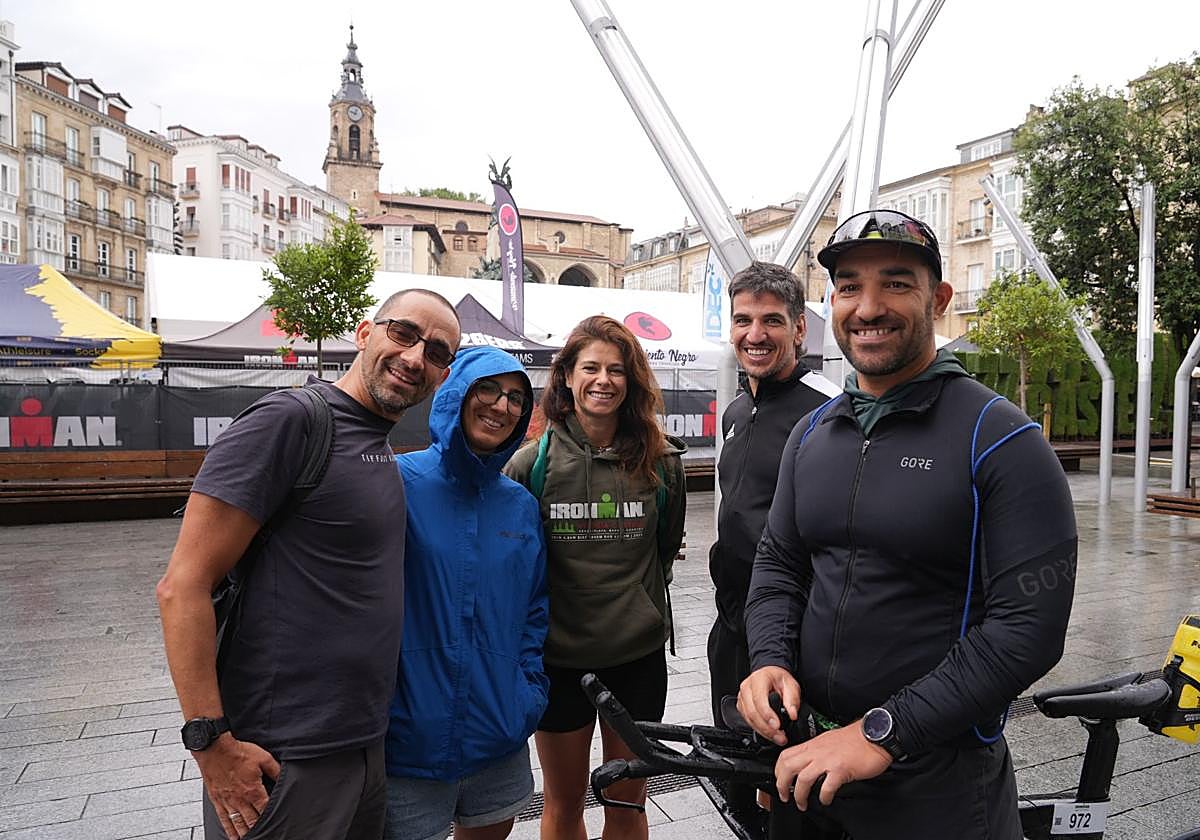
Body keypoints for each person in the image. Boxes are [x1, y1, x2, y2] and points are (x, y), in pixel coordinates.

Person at [737, 209, 1077, 840]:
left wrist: (881, 732)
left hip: (936, 779)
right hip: (810, 765)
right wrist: (769, 661)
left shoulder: (1000, 438)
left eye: (896, 282)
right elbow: (780, 564)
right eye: (848, 287)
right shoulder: (815, 433)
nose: (868, 307)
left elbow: (1028, 629)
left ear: (939, 299)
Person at [157, 289, 462, 840]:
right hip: (285, 756)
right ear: (366, 333)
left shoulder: (376, 443)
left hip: (364, 747)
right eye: (404, 333)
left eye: (438, 352)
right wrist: (211, 744)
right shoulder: (289, 421)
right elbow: (182, 587)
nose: (417, 358)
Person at [504, 315, 686, 840]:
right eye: (590, 368)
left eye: (616, 370)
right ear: (565, 376)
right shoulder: (528, 467)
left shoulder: (662, 464)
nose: (603, 379)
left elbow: (663, 550)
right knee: (562, 804)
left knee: (627, 805)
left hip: (637, 658)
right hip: (558, 661)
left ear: (631, 382)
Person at [384, 345, 549, 840]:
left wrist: (526, 693)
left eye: (516, 398)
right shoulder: (399, 482)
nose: (502, 406)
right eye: (489, 390)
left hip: (497, 734)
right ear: (457, 392)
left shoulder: (519, 504)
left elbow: (534, 609)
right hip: (408, 742)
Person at [706, 261, 838, 815]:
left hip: (790, 636)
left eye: (771, 321)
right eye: (742, 320)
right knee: (738, 774)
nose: (754, 335)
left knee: (787, 792)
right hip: (731, 626)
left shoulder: (829, 410)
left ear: (800, 329)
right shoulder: (739, 408)